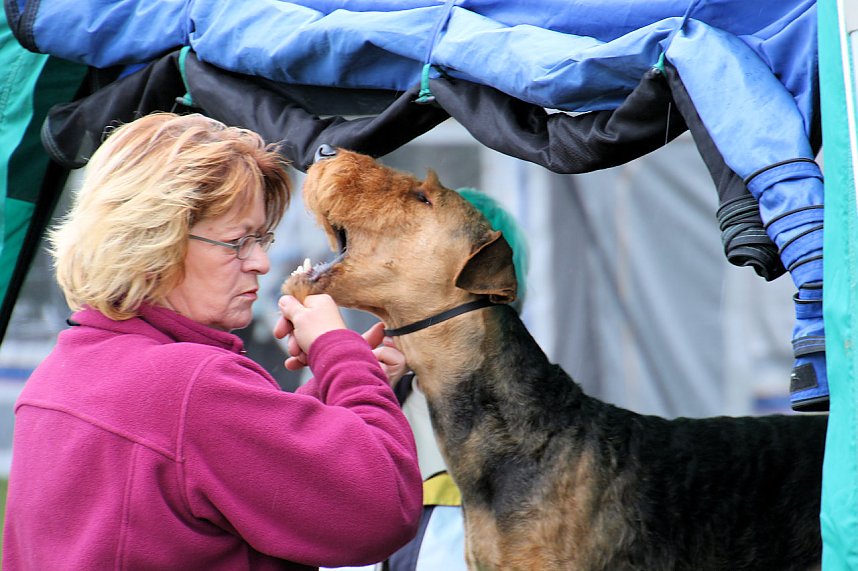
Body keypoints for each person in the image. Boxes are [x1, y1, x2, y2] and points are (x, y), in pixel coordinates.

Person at [2, 112, 422, 570]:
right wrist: (338, 350)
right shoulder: (191, 385)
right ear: (155, 241)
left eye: (262, 238)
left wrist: (350, 382)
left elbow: (205, 463)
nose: (261, 263)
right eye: (238, 241)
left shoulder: (60, 372)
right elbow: (381, 510)